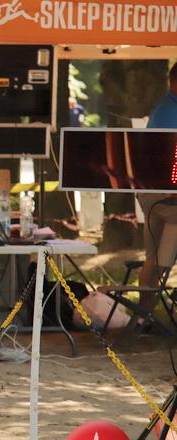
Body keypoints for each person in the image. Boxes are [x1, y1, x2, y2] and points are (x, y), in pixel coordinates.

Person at [117, 62, 177, 349]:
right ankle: (145, 312)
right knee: (158, 259)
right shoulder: (168, 112)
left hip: (155, 193)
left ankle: (143, 316)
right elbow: (166, 156)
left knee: (154, 259)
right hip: (162, 194)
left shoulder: (165, 107)